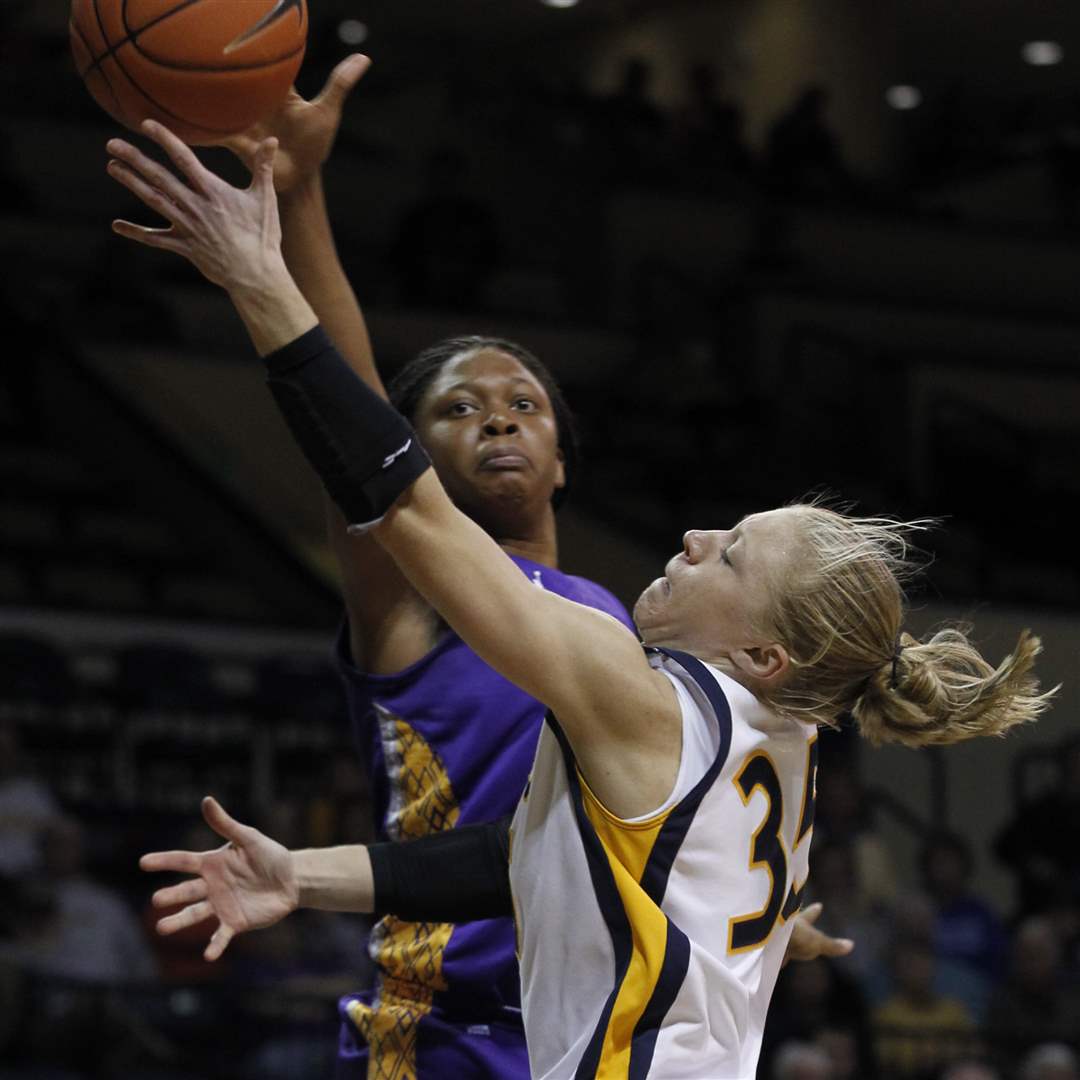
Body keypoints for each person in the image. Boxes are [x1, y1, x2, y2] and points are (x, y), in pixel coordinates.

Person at [109, 106, 1050, 1079]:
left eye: (726, 554)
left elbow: (394, 493)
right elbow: (525, 856)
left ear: (766, 652)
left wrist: (261, 281)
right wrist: (300, 875)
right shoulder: (789, 732)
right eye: (460, 410)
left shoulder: (620, 669)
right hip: (452, 1026)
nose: (693, 537)